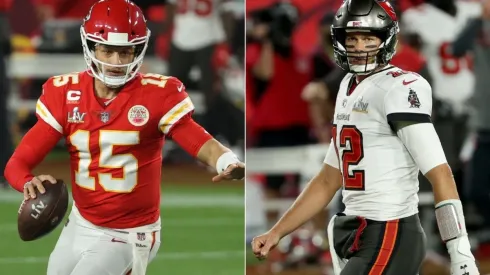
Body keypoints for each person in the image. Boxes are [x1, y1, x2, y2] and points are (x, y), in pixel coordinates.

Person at [3, 1, 244, 275]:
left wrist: (226, 161)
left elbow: (200, 141)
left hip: (130, 234)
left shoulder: (157, 94)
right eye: (107, 50)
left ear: (138, 49)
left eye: (125, 52)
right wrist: (27, 182)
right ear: (91, 46)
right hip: (80, 224)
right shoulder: (66, 95)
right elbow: (16, 164)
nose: (117, 62)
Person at [251, 0, 479, 274]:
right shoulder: (348, 85)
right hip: (356, 231)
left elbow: (440, 174)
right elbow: (327, 180)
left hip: (390, 231)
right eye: (352, 38)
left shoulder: (400, 88)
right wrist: (278, 231)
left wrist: (460, 253)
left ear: (387, 39)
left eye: (368, 38)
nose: (359, 47)